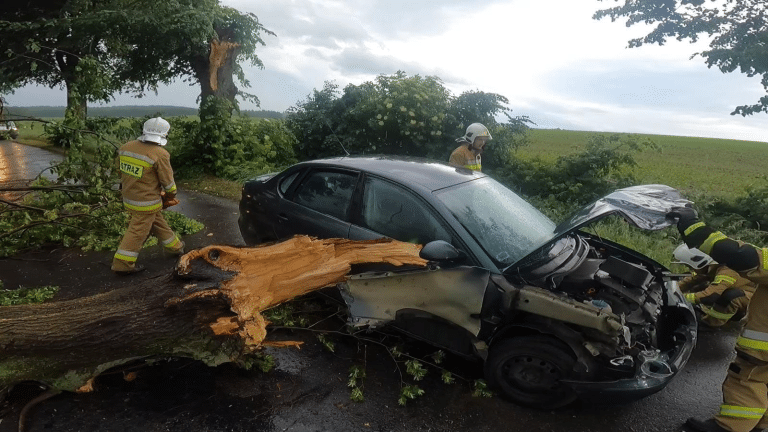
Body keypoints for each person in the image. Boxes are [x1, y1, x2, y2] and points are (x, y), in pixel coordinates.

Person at [670, 206, 768, 432]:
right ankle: (760, 425)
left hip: (763, 347)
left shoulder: (727, 270)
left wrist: (693, 227)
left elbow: (740, 255)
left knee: (747, 379)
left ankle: (728, 428)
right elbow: (694, 279)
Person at [111, 117, 184, 275]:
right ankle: (122, 264)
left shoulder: (126, 147)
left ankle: (175, 247)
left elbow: (119, 170)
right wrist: (170, 196)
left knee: (157, 221)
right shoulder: (160, 153)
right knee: (137, 231)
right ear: (164, 135)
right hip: (146, 202)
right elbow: (169, 184)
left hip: (129, 198)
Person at [674, 243, 756, 328]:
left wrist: (680, 298)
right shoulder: (712, 265)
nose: (690, 269)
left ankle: (710, 323)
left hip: (757, 299)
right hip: (747, 293)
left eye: (689, 266)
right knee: (701, 286)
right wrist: (673, 289)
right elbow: (691, 280)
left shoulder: (727, 271)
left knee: (732, 296)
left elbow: (710, 296)